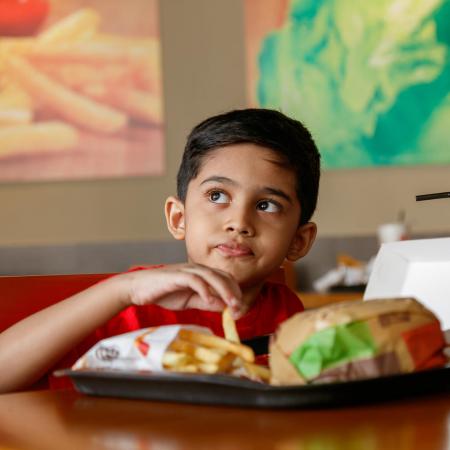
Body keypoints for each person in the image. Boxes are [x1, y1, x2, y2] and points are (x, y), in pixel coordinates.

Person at [0, 108, 321, 393]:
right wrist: (119, 291)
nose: (239, 222)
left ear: (299, 241)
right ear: (179, 218)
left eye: (266, 205)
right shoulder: (132, 303)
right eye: (217, 196)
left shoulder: (287, 313)